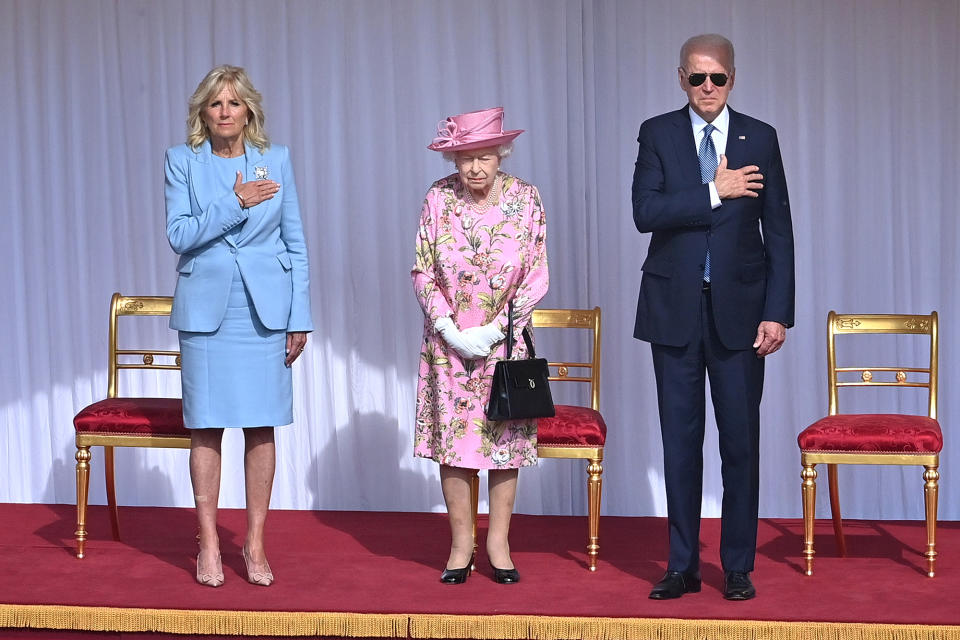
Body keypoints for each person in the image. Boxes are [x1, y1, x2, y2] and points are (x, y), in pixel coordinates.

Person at [631, 34, 795, 601]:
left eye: (717, 78)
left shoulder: (761, 137)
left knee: (740, 442)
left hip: (741, 316)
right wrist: (713, 191)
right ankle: (681, 566)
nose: (707, 87)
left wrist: (778, 312)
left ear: (732, 78)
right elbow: (644, 212)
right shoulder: (658, 133)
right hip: (673, 310)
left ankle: (738, 565)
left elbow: (778, 232)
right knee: (680, 441)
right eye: (696, 77)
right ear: (680, 78)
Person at [164, 65, 312, 587]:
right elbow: (179, 235)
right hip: (206, 312)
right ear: (202, 112)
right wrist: (235, 201)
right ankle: (207, 542)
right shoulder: (182, 161)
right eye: (215, 104)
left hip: (265, 312)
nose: (225, 112)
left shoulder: (277, 160)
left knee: (260, 423)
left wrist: (300, 316)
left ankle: (254, 542)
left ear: (250, 109)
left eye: (234, 103)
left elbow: (295, 242)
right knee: (205, 424)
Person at [412, 107, 549, 584]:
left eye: (484, 157)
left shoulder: (526, 199)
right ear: (453, 158)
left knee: (503, 442)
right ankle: (460, 545)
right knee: (454, 444)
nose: (474, 168)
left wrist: (495, 331)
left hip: (505, 344)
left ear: (500, 154)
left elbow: (536, 273)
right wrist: (450, 329)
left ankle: (499, 543)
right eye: (465, 157)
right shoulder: (436, 198)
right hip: (448, 346)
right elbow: (422, 269)